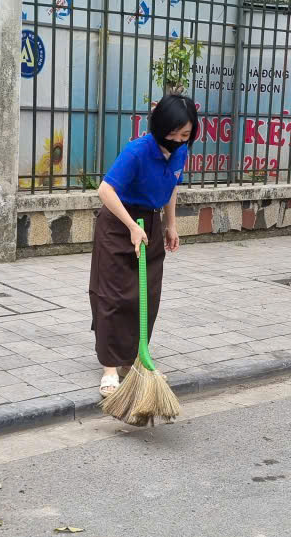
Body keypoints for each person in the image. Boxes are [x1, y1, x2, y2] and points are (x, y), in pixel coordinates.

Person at [91, 95, 192, 396]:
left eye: (185, 134)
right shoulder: (137, 151)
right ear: (159, 126)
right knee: (114, 295)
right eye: (172, 132)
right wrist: (131, 226)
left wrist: (171, 225)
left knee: (146, 295)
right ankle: (110, 367)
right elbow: (105, 190)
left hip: (151, 224)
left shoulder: (181, 152)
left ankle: (136, 357)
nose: (177, 139)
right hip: (119, 224)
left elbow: (172, 187)